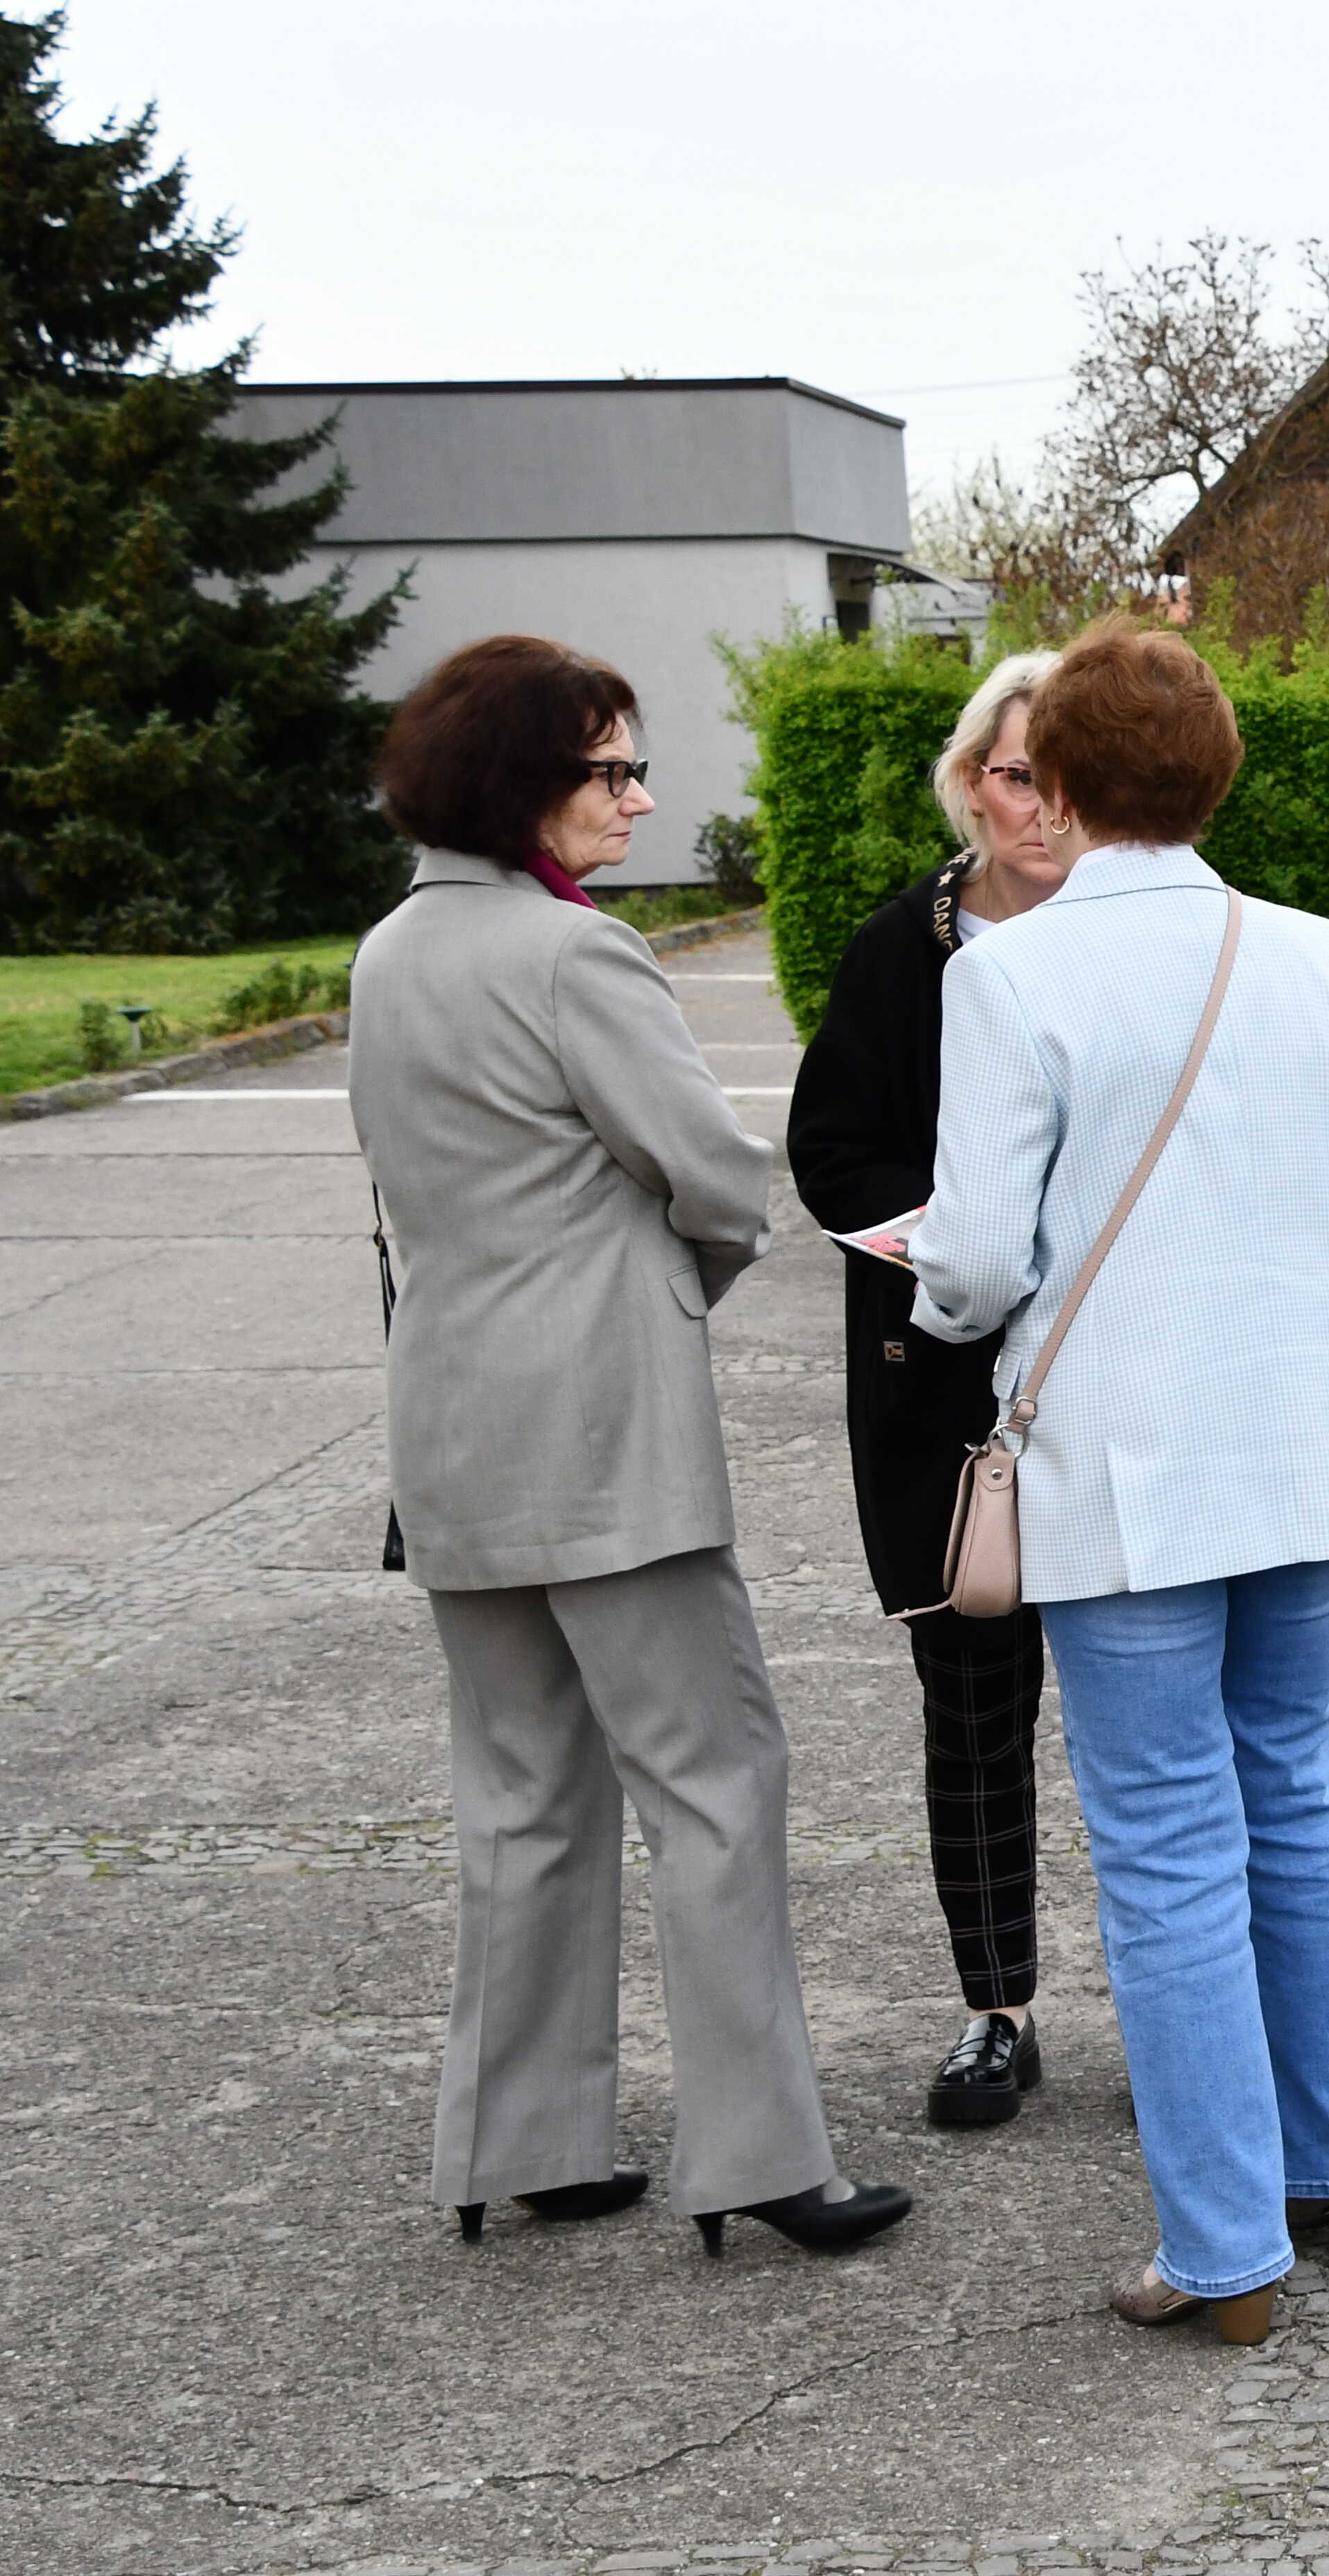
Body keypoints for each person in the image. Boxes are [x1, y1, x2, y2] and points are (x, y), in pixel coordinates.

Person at [348, 634, 911, 2258]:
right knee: (716, 1779)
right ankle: (755, 2154)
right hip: (605, 1439)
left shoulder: (388, 953)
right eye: (611, 768)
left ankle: (514, 2140)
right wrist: (674, 1281)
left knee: (522, 1793)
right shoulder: (574, 958)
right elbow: (722, 1181)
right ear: (523, 777)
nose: (640, 798)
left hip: (449, 1428)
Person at [909, 616, 1329, 2348]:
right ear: (1217, 774)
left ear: (1050, 780)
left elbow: (976, 1265)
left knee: (1167, 1847)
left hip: (1129, 1469)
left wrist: (929, 1281)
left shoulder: (1012, 974)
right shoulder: (1310, 946)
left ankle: (1225, 2249)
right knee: (1294, 1792)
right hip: (1308, 1447)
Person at [788, 649, 1069, 2128]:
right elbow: (831, 1149)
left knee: (1156, 1716)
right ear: (972, 781)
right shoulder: (902, 948)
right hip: (946, 1388)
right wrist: (957, 1238)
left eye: (1071, 774)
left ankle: (1185, 2005)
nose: (1045, 804)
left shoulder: (1126, 934)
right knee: (970, 1709)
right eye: (1021, 772)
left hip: (1110, 1380)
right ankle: (997, 2007)